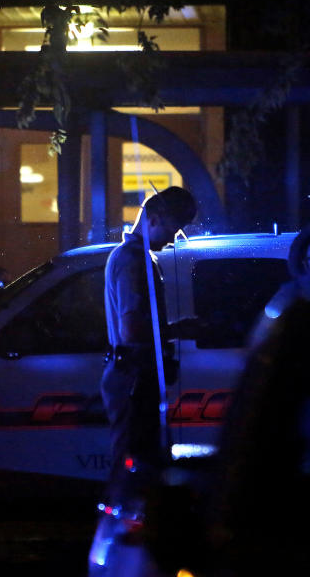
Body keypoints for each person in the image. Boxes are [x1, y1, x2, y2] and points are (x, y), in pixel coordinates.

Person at [101, 186, 197, 505]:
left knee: (136, 460)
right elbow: (131, 329)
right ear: (154, 219)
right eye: (172, 229)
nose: (172, 239)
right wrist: (171, 330)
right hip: (133, 377)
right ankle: (121, 537)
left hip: (133, 375)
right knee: (132, 462)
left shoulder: (137, 258)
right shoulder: (132, 262)